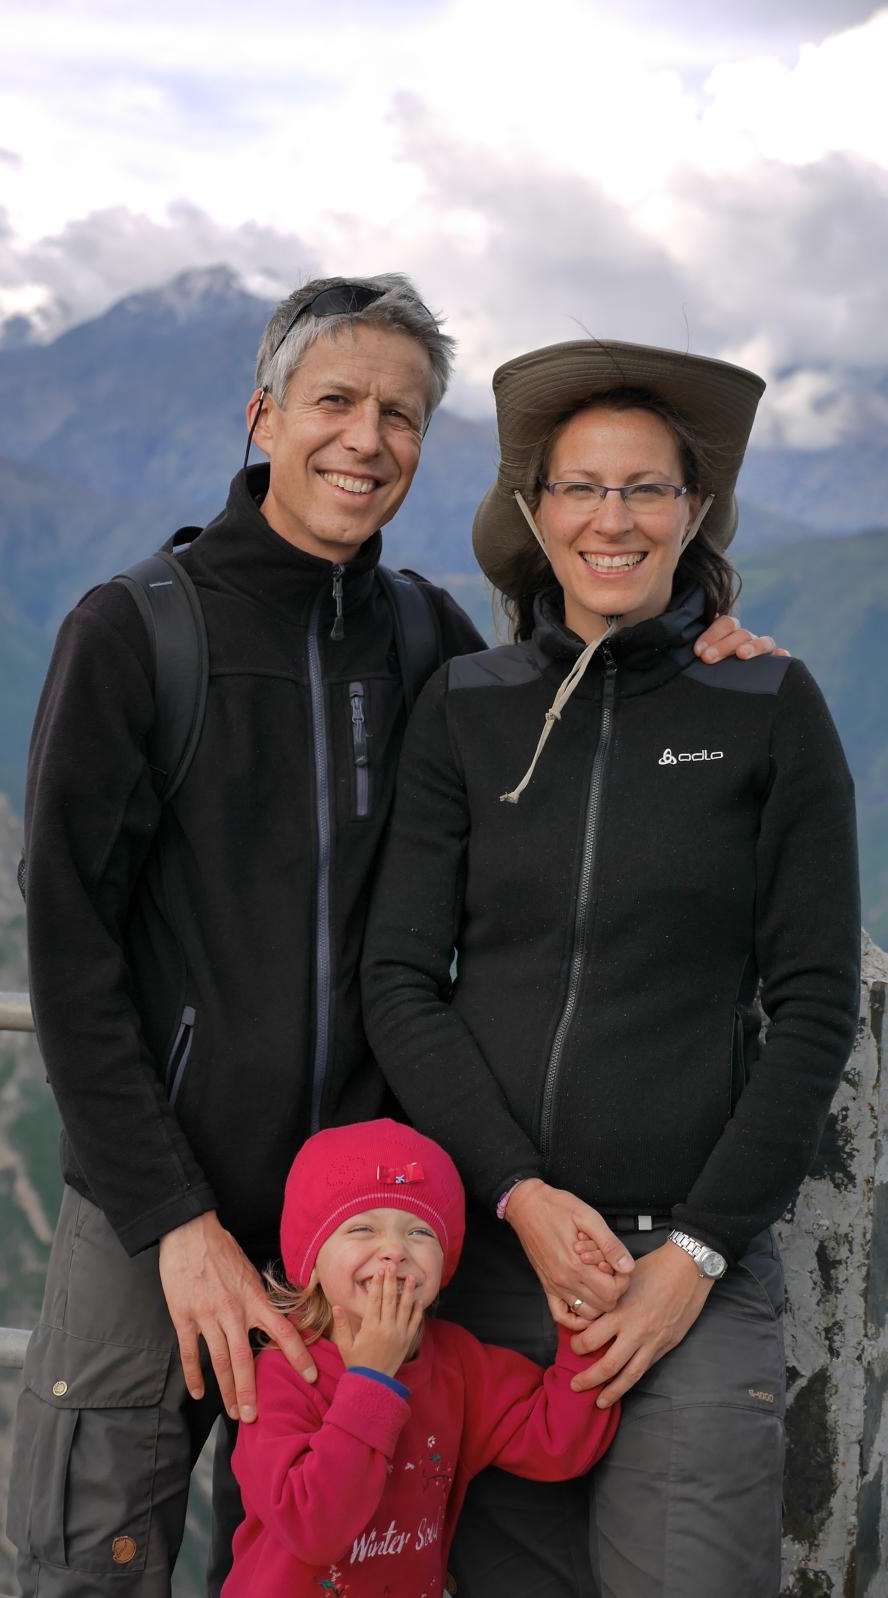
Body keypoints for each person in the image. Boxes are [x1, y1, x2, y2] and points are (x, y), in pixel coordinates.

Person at [7, 285, 782, 1598]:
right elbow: (67, 949)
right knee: (103, 1550)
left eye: (401, 415)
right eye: (335, 402)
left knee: (338, 1558)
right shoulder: (137, 632)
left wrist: (694, 651)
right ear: (264, 417)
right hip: (161, 1201)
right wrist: (174, 1217)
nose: (366, 439)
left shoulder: (429, 635)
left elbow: (565, 746)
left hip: (369, 1218)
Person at [361, 338, 862, 1598]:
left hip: (683, 1276)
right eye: (582, 486)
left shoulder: (767, 706)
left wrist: (693, 1251)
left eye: (648, 489)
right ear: (535, 512)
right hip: (487, 1268)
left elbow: (813, 1007)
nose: (614, 518)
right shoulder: (467, 705)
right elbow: (401, 980)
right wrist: (520, 1193)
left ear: (695, 514)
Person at [225, 1119, 618, 1596]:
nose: (393, 1251)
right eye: (362, 1227)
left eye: (419, 1233)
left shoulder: (457, 1363)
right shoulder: (282, 1374)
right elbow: (314, 1530)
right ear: (312, 1259)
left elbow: (558, 1443)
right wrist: (372, 1379)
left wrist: (585, 1318)